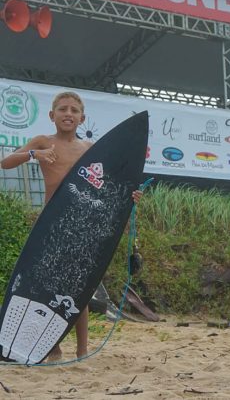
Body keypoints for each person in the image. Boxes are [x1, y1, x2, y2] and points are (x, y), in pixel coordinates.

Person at [0, 91, 142, 360]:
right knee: (42, 284)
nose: (68, 114)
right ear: (52, 115)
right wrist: (34, 154)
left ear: (82, 119)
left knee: (79, 289)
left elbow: (112, 188)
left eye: (74, 110)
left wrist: (130, 197)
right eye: (62, 109)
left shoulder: (91, 150)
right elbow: (5, 163)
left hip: (81, 228)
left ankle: (82, 350)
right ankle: (51, 347)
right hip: (50, 225)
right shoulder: (43, 142)